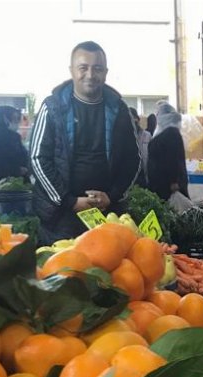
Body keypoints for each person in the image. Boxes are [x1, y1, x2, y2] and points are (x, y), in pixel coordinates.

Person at [29, 41, 140, 244]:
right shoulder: (53, 107)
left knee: (106, 271)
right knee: (63, 270)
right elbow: (38, 158)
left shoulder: (119, 110)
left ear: (105, 72)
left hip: (106, 214)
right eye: (83, 68)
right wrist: (69, 201)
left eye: (97, 68)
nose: (90, 74)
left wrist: (112, 196)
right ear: (71, 70)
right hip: (60, 219)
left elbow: (133, 160)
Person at [147, 103, 189, 201]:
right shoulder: (170, 133)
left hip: (167, 185)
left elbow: (172, 159)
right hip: (165, 183)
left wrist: (174, 181)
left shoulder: (170, 134)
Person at [0, 106, 29, 181]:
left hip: (19, 180)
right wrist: (17, 170)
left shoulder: (15, 136)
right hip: (3, 181)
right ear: (5, 119)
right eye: (14, 119)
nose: (17, 122)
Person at [129, 107, 151, 187]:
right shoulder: (123, 137)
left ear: (137, 119)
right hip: (128, 174)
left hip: (143, 174)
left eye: (132, 118)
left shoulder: (147, 135)